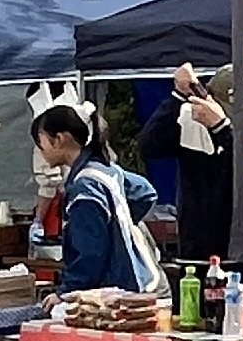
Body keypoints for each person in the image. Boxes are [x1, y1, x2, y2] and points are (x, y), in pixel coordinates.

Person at [32, 100, 159, 295]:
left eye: (40, 143)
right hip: (140, 279)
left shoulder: (84, 188)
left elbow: (89, 254)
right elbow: (144, 192)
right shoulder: (106, 169)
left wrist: (66, 292)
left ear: (58, 139)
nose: (41, 151)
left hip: (114, 290)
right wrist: (116, 228)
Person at [138, 64, 236, 266]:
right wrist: (179, 96)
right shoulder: (191, 126)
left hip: (242, 250)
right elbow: (149, 145)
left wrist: (222, 128)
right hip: (196, 249)